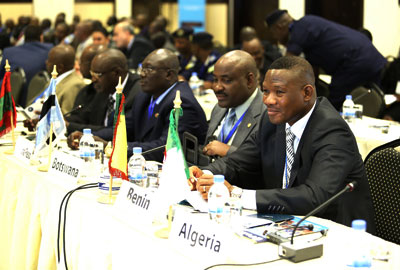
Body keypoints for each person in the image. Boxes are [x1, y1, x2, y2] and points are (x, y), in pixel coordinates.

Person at [191, 56, 376, 233]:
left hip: (339, 232)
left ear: (307, 93)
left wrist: (236, 194)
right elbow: (238, 161)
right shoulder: (273, 120)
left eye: (279, 92)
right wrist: (206, 174)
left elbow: (315, 197)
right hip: (286, 223)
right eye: (265, 91)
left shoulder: (332, 130)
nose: (268, 101)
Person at [68, 49, 208, 162]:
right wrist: (89, 137)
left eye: (148, 70)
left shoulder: (181, 103)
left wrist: (114, 147)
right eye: (142, 69)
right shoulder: (144, 96)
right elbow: (124, 128)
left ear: (169, 75)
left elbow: (164, 147)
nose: (141, 74)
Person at [265, 9, 387, 110]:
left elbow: (286, 65)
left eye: (273, 33)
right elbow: (312, 71)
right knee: (375, 101)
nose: (275, 38)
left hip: (354, 61)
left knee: (334, 101)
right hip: (372, 58)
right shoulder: (309, 24)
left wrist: (270, 87)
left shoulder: (300, 28)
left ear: (279, 27)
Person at [203, 50, 265, 160]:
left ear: (249, 81)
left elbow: (265, 162)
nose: (217, 87)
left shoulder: (267, 114)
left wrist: (228, 151)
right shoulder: (218, 108)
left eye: (226, 80)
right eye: (215, 80)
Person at [66, 48, 141, 134]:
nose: (93, 79)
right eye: (92, 74)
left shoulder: (135, 94)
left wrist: (73, 128)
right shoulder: (104, 89)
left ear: (116, 73)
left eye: (98, 75)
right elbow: (84, 117)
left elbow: (115, 132)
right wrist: (61, 121)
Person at [0, 25, 53, 106]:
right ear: (41, 37)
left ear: (24, 37)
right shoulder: (50, 51)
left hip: (7, 102)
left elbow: (1, 75)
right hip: (36, 102)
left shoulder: (8, 52)